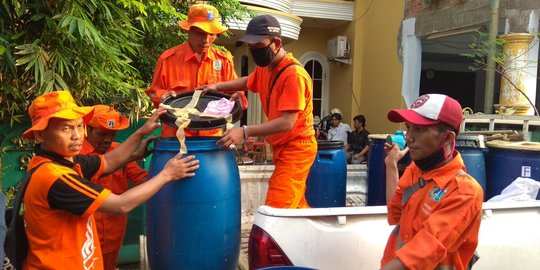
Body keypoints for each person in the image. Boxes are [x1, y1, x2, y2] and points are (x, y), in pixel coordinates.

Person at [21, 91, 199, 269]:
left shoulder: (64, 161)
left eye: (78, 126)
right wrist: (167, 175)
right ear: (40, 135)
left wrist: (141, 132)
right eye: (65, 129)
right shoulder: (56, 176)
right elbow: (121, 204)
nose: (76, 136)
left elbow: (109, 162)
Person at [199, 15, 316, 208]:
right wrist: (217, 86)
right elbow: (248, 81)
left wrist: (244, 131)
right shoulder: (267, 67)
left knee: (278, 206)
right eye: (250, 47)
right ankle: (312, 237)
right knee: (295, 206)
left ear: (276, 42)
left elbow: (288, 122)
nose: (254, 51)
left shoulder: (293, 75)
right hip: (282, 146)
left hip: (297, 147)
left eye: (258, 46)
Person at [381, 94, 483, 270]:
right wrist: (391, 166)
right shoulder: (415, 170)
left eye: (419, 129)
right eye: (408, 127)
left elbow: (421, 254)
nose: (409, 137)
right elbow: (395, 214)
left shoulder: (464, 191)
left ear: (448, 138)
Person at [146, 3, 248, 137]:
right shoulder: (168, 60)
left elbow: (237, 93)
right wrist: (162, 96)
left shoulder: (223, 60)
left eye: (211, 34)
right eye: (200, 33)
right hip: (176, 137)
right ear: (188, 30)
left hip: (212, 138)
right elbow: (153, 94)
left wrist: (239, 98)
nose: (206, 40)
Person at [80, 105, 150, 270]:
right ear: (86, 129)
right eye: (102, 133)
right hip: (86, 233)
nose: (107, 139)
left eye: (111, 134)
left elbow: (140, 178)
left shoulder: (119, 150)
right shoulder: (76, 154)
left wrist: (166, 175)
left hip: (114, 231)